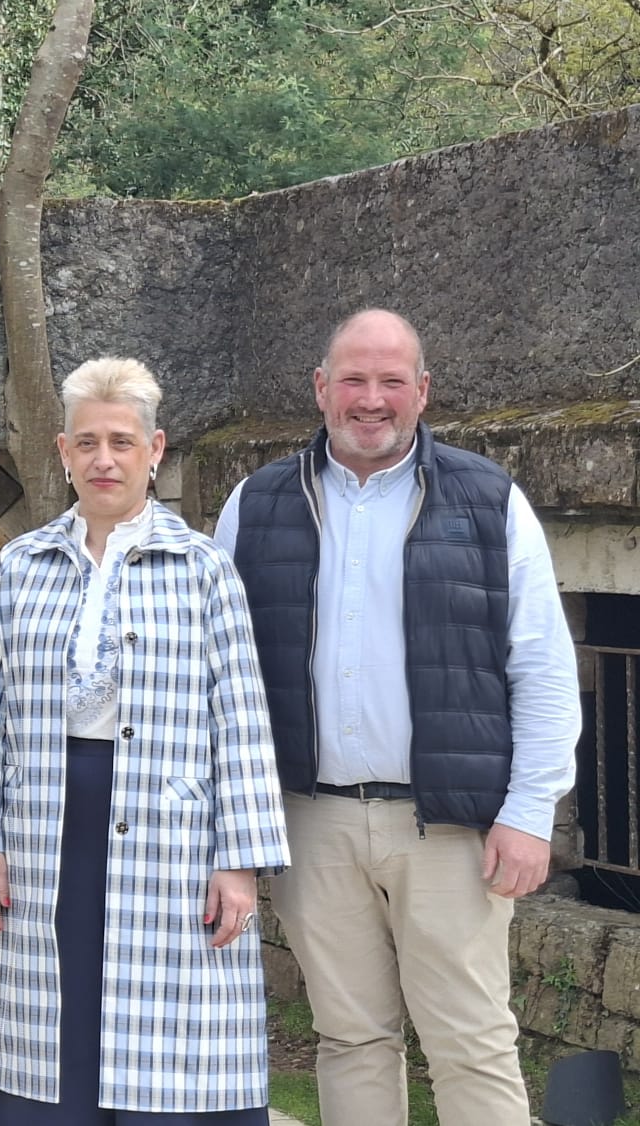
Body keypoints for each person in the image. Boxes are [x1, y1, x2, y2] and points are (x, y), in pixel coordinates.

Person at [212, 309, 581, 1126]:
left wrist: (528, 812)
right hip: (311, 821)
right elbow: (222, 675)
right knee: (349, 1038)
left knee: (473, 1042)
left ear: (422, 392)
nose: (370, 399)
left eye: (390, 382)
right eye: (353, 379)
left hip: (451, 829)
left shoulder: (489, 500)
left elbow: (545, 668)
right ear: (320, 389)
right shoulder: (255, 503)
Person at [0, 357, 289, 1124]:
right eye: (87, 441)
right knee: (52, 1034)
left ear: (154, 449)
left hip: (173, 838)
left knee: (167, 1041)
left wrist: (239, 860)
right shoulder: (22, 566)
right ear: (62, 452)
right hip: (46, 830)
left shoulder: (203, 568)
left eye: (122, 441)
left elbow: (243, 715)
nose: (104, 459)